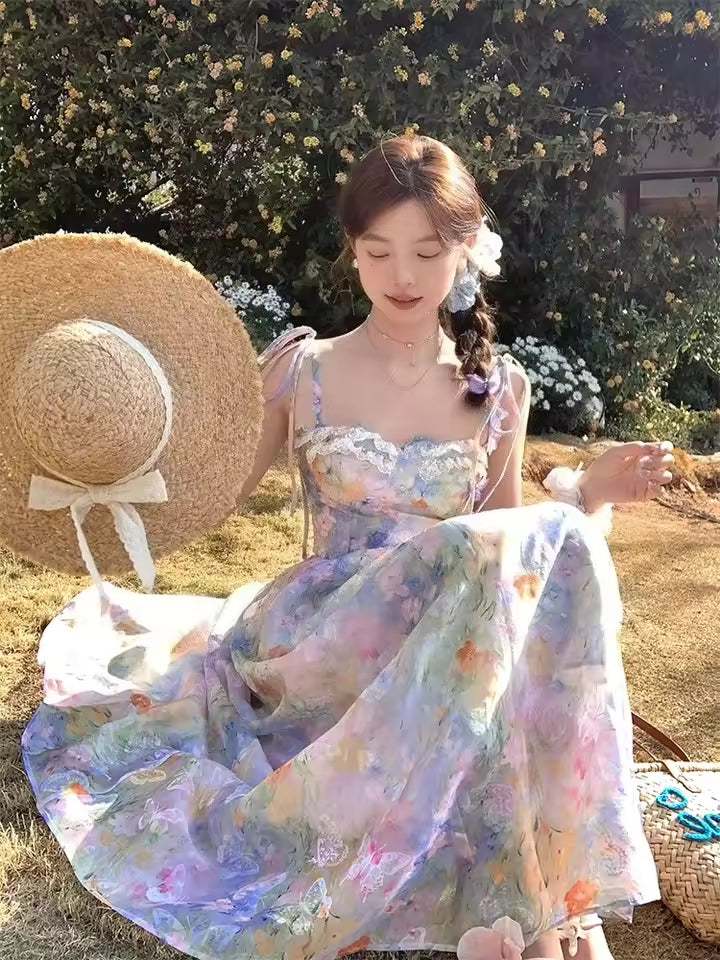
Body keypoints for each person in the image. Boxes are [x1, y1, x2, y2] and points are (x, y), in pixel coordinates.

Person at [21, 136, 673, 960]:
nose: (402, 275)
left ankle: (551, 911)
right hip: (322, 637)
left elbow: (508, 560)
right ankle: (552, 917)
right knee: (523, 556)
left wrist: (590, 501)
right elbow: (211, 494)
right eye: (378, 250)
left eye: (427, 253)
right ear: (352, 252)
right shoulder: (304, 370)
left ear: (466, 253)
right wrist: (105, 462)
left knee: (518, 574)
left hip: (446, 648)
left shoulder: (501, 387)